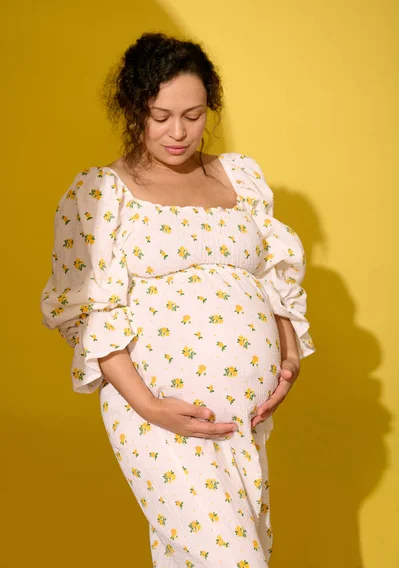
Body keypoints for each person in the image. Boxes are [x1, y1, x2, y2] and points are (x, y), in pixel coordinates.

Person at [40, 32, 316, 567]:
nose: (178, 132)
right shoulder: (99, 192)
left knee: (207, 556)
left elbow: (271, 275)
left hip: (243, 419)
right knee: (232, 560)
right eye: (160, 115)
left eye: (192, 115)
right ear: (132, 108)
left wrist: (286, 357)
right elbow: (92, 313)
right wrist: (150, 407)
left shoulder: (241, 178)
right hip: (156, 414)